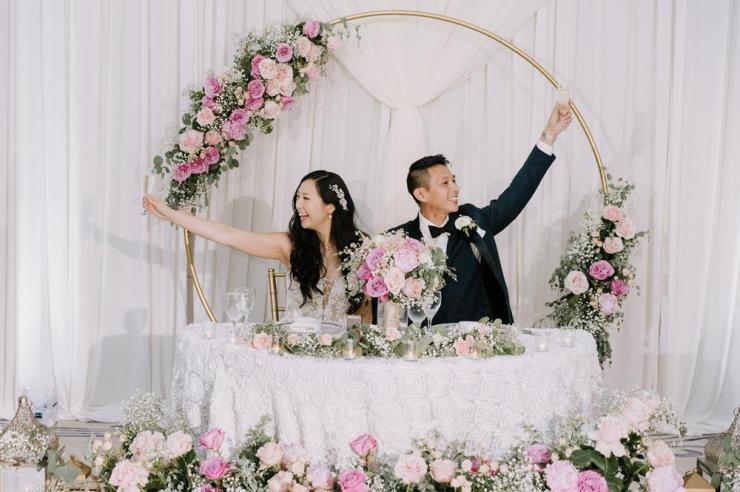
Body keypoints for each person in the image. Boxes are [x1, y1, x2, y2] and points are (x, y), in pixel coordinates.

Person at [391, 104, 573, 324]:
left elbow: (517, 193)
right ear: (421, 193)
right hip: (421, 344)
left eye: (454, 180)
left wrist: (549, 135)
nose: (455, 188)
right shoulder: (395, 241)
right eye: (445, 183)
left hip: (477, 341)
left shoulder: (474, 220)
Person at [142, 170, 370, 323]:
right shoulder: (290, 245)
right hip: (295, 355)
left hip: (344, 359)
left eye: (306, 198)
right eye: (297, 197)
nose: (298, 205)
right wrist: (170, 214)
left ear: (330, 206)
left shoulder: (364, 251)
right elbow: (228, 235)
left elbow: (366, 316)